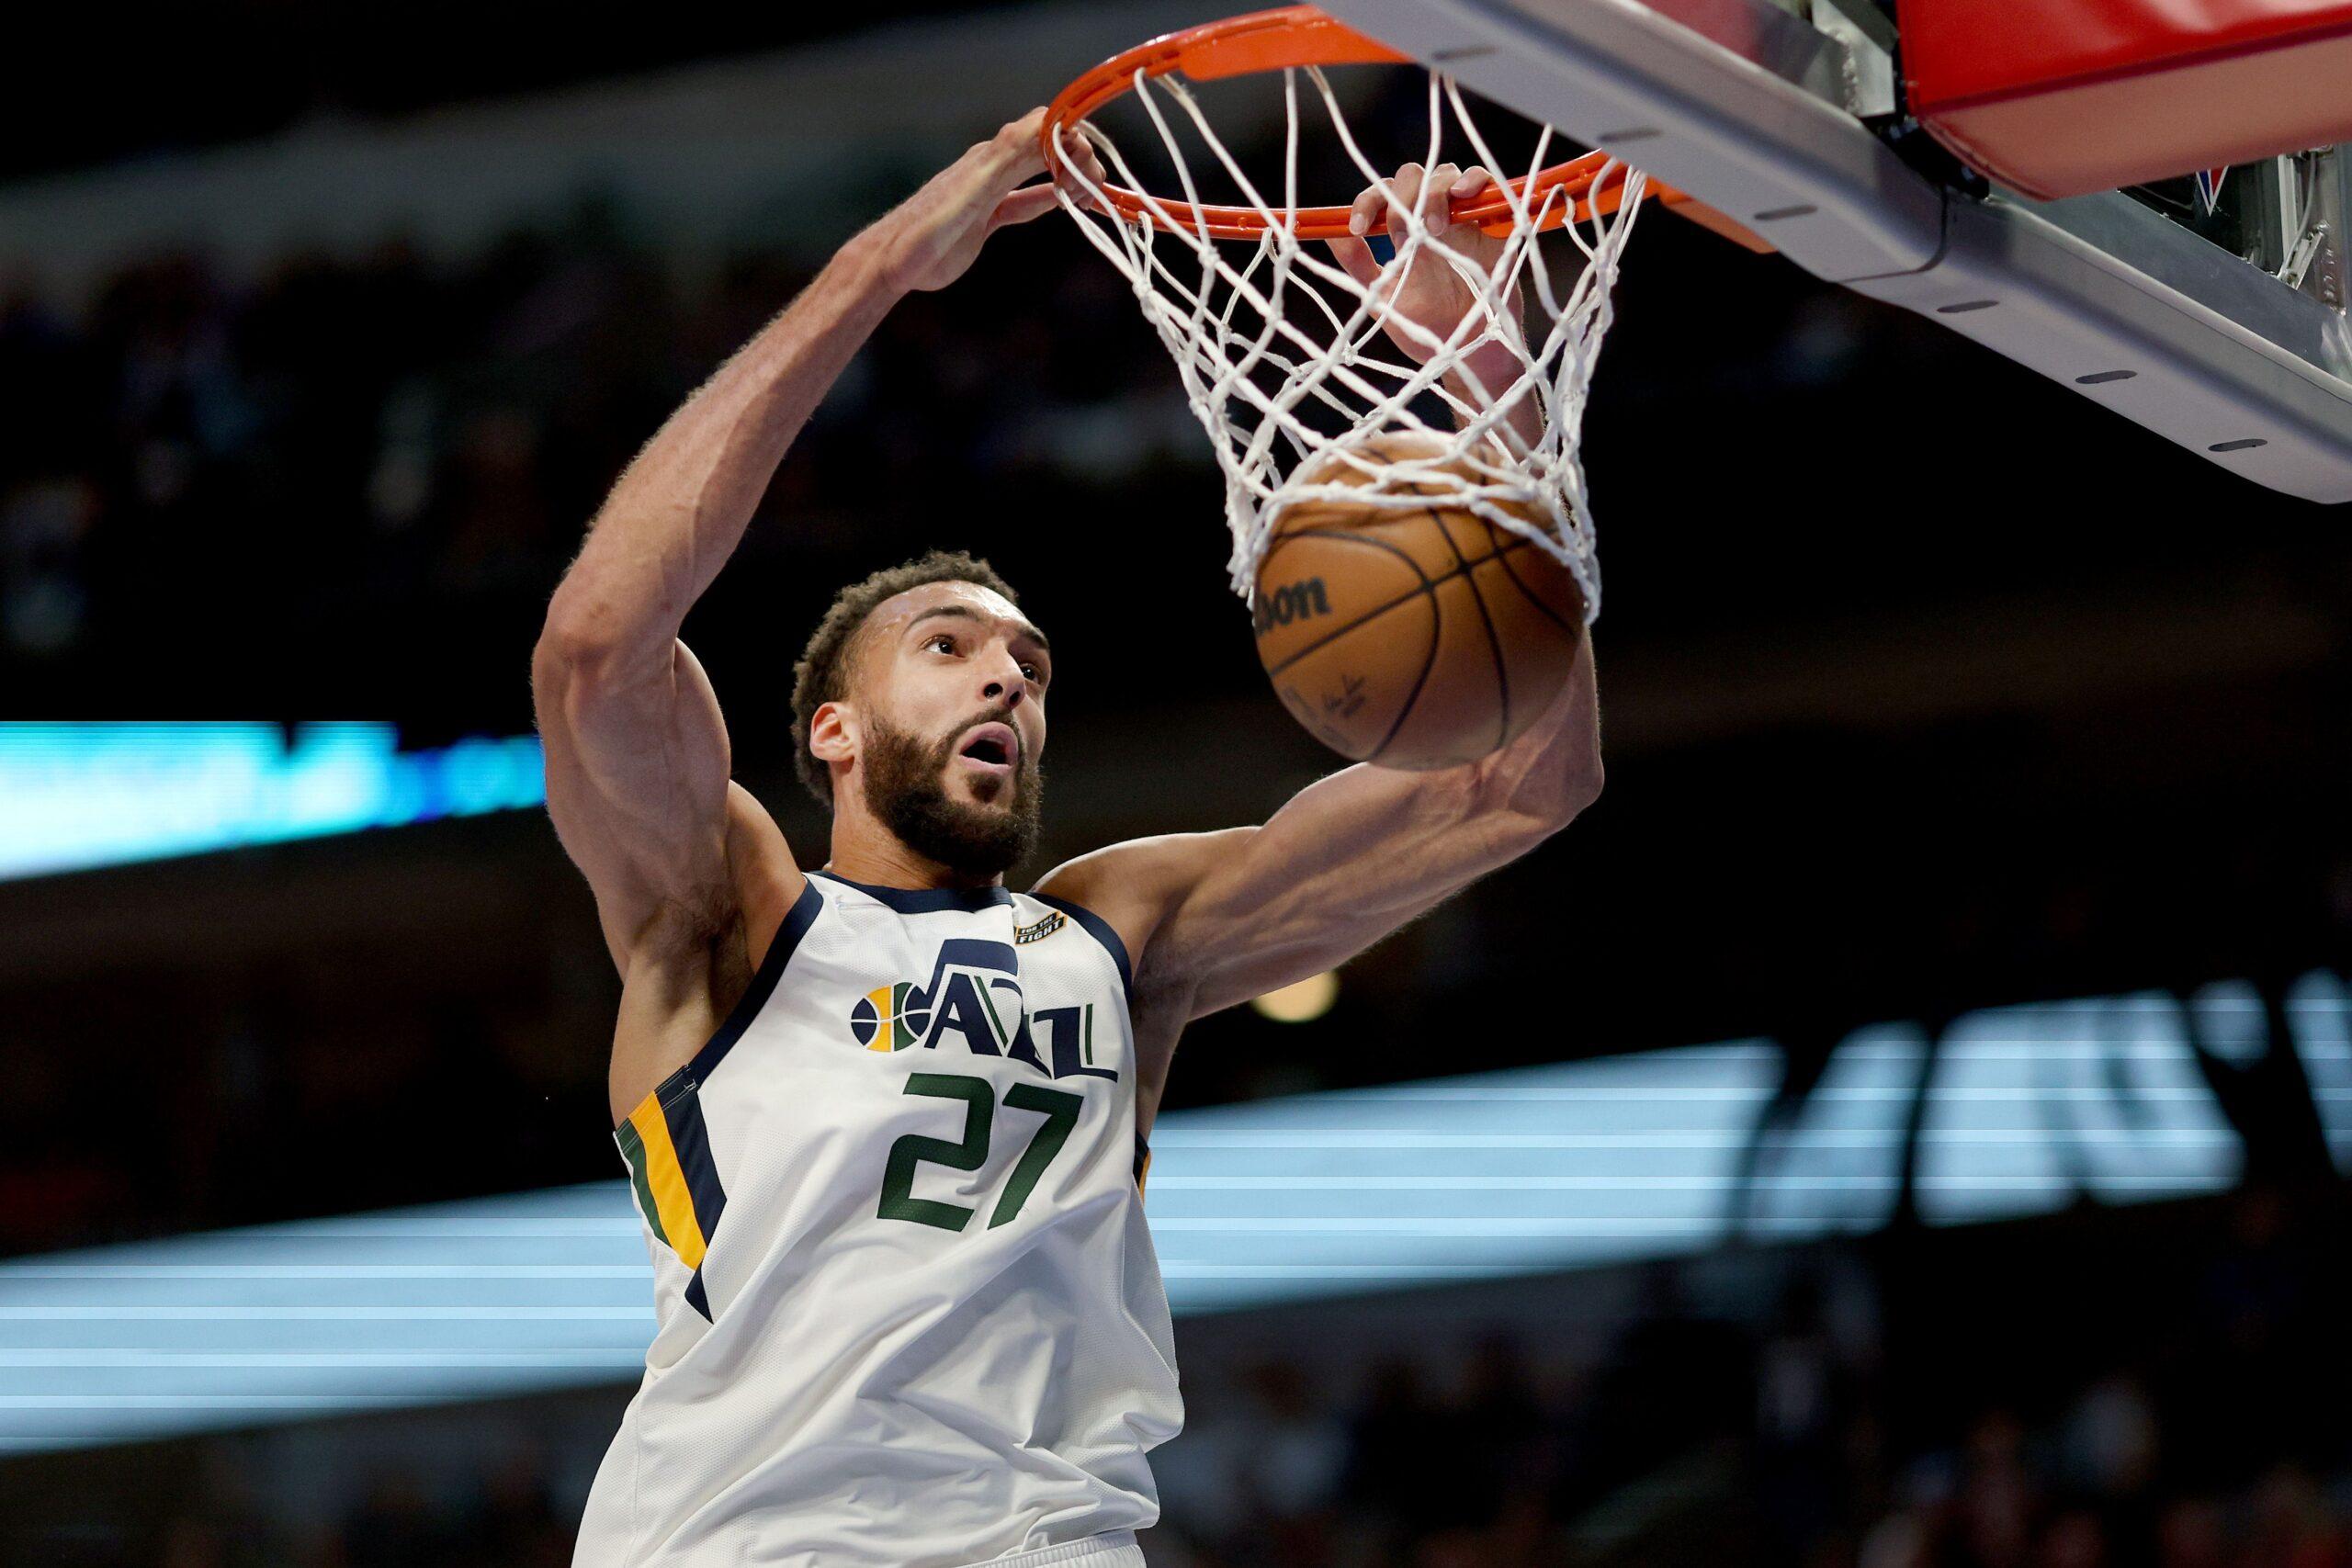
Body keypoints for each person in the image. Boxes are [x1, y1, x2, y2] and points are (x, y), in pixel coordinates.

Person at [535, 107, 1602, 1568]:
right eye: (949, 646)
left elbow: (1525, 781)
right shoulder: (728, 910)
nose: (1005, 678)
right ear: (832, 730)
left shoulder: (1115, 932)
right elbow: (598, 647)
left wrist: (1487, 377)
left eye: (1028, 666)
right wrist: (877, 270)